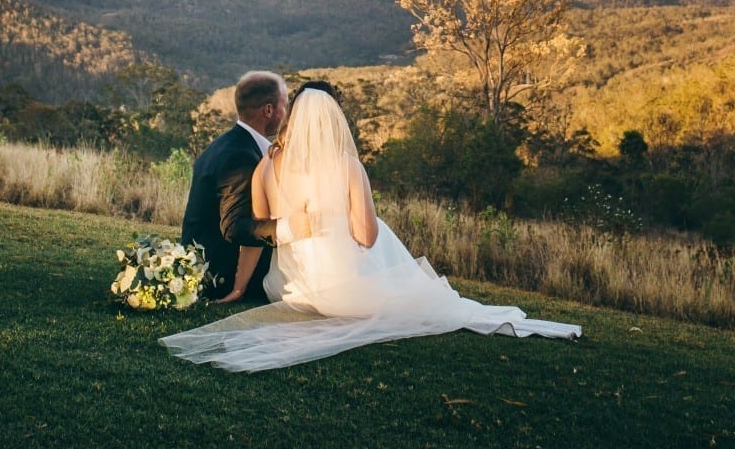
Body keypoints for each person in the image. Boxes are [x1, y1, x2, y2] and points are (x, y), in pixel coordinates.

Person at [161, 83, 580, 371]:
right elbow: (366, 237)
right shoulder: (347, 167)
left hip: (286, 288)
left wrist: (239, 287)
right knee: (375, 226)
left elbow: (260, 229)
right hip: (341, 291)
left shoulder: (266, 166)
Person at [178, 70, 290, 302]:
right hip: (220, 273)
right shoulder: (240, 156)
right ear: (269, 110)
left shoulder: (226, 144)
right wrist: (289, 229)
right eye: (285, 105)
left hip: (203, 258)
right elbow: (234, 228)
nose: (286, 113)